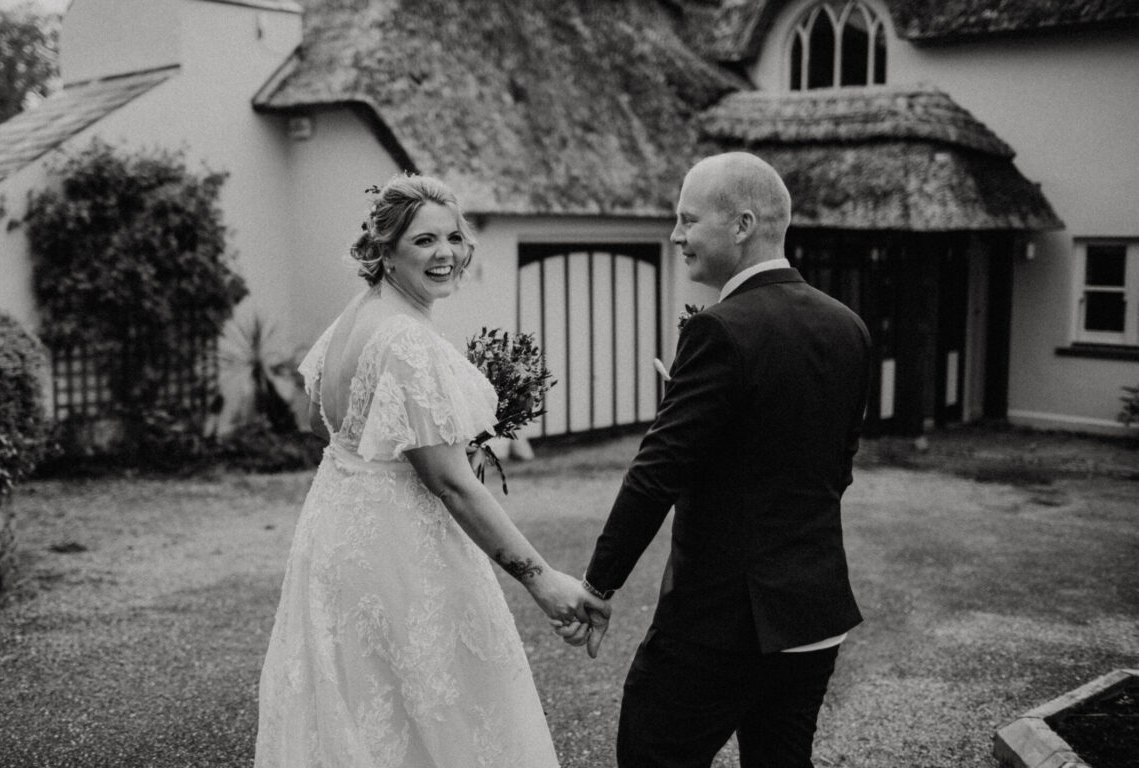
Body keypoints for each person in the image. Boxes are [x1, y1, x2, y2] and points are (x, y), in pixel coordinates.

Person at [254, 173, 606, 767]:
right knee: (440, 718)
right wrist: (542, 579)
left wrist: (410, 441)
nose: (445, 253)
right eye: (423, 241)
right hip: (399, 551)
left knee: (363, 711)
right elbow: (451, 484)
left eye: (454, 237)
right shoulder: (405, 340)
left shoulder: (355, 316)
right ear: (386, 251)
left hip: (337, 535)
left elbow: (321, 421)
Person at [561, 152, 871, 767]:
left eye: (687, 219)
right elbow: (832, 467)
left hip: (722, 623)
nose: (676, 235)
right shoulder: (848, 326)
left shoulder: (719, 331)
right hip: (813, 613)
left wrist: (599, 583)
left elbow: (657, 473)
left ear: (741, 224)